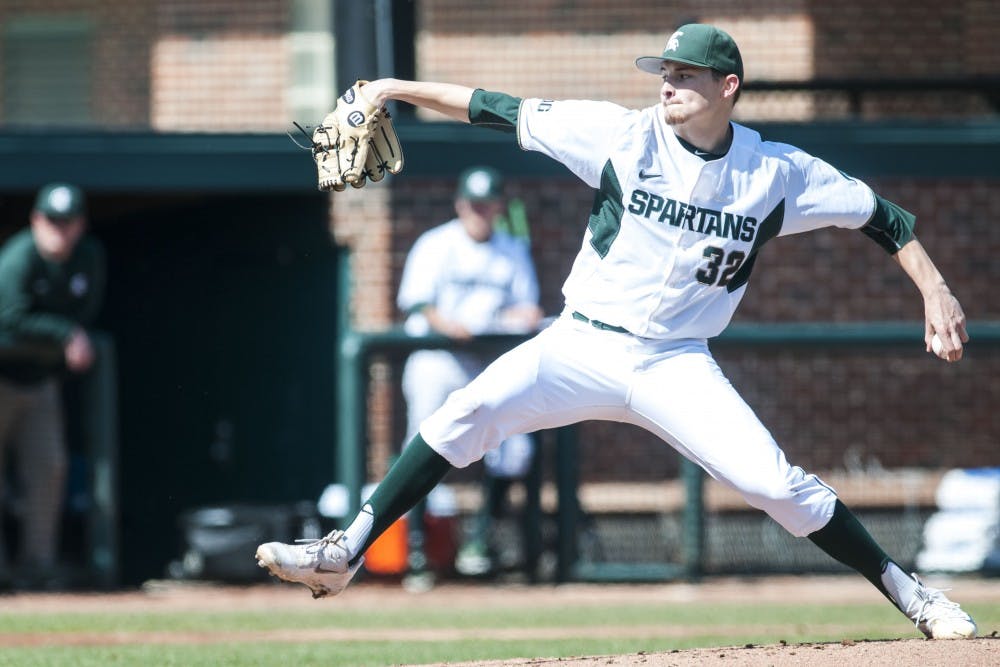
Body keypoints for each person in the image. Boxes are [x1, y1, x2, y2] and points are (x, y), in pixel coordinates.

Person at [257, 24, 976, 639]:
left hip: (675, 363)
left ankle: (914, 596)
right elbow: (491, 107)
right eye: (664, 72)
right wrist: (388, 86)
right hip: (580, 343)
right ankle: (345, 550)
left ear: (728, 86)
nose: (667, 84)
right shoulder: (619, 135)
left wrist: (934, 287)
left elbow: (881, 215)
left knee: (779, 487)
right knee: (462, 411)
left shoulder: (775, 171)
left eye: (685, 74)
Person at [396, 166, 543, 587]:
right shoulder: (436, 243)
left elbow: (528, 310)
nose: (481, 212)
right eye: (474, 204)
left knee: (514, 451)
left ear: (499, 206)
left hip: (488, 359)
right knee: (421, 447)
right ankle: (418, 553)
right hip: (437, 357)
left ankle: (481, 543)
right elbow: (417, 303)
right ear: (461, 204)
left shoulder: (512, 248)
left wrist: (491, 321)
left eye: (488, 204)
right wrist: (450, 324)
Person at [0, 183, 106, 589]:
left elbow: (87, 312)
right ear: (36, 220)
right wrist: (63, 334)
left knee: (49, 469)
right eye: (52, 221)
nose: (59, 231)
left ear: (80, 225)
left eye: (68, 222)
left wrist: (65, 336)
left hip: (40, 382)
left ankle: (36, 569)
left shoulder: (88, 257)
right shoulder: (17, 259)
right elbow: (10, 319)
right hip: (3, 378)